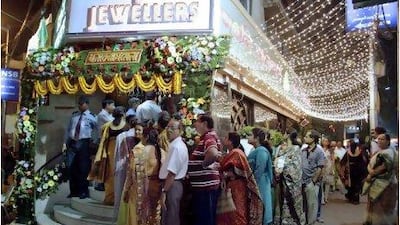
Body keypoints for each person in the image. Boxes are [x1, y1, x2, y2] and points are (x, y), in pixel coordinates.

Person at [217, 132, 263, 225]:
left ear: (230, 141)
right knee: (231, 213)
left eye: (226, 138)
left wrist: (226, 174)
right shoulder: (233, 152)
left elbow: (239, 170)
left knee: (238, 212)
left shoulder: (236, 153)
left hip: (237, 187)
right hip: (233, 186)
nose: (223, 139)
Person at [88, 106, 128, 205]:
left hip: (112, 151)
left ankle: (111, 198)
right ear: (123, 115)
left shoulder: (108, 126)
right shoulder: (125, 126)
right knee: (117, 174)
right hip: (118, 151)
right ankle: (117, 199)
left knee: (111, 175)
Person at [188, 114, 222, 225]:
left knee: (205, 219)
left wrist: (203, 165)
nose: (195, 124)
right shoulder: (208, 137)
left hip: (206, 187)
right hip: (204, 187)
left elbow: (213, 153)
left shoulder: (209, 137)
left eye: (197, 121)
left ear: (205, 124)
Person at [63, 96, 97, 199]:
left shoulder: (92, 116)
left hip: (84, 144)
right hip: (73, 143)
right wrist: (64, 143)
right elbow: (68, 130)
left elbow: (97, 130)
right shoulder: (74, 116)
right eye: (79, 104)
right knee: (70, 166)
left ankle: (83, 191)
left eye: (82, 104)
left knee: (83, 168)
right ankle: (74, 191)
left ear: (87, 104)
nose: (80, 106)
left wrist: (94, 142)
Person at [159, 118, 189, 225]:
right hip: (171, 184)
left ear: (180, 130)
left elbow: (172, 173)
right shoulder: (174, 145)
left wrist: (164, 191)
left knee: (170, 217)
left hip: (172, 185)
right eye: (168, 127)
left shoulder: (177, 147)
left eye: (172, 128)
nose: (169, 130)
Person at [364, 133, 398, 225]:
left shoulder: (390, 152)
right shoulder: (378, 152)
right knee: (374, 206)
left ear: (388, 141)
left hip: (386, 184)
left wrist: (372, 173)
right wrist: (370, 171)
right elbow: (370, 164)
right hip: (375, 183)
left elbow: (385, 166)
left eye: (382, 139)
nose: (379, 141)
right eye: (378, 139)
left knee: (384, 207)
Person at [274, 131, 306, 225]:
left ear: (288, 135)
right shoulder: (282, 148)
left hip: (292, 182)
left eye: (284, 133)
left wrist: (282, 166)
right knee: (285, 203)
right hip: (284, 182)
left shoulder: (296, 149)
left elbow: (295, 166)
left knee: (294, 204)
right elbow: (278, 160)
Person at [117, 123, 145, 225]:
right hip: (132, 178)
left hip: (140, 182)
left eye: (140, 130)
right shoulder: (129, 141)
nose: (137, 132)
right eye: (136, 130)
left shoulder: (143, 148)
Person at [247, 128, 273, 225]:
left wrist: (252, 184)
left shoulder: (261, 151)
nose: (247, 137)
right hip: (259, 182)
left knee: (261, 207)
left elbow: (259, 170)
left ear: (256, 138)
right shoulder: (256, 150)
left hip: (260, 183)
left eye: (250, 135)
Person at [114, 115, 137, 219]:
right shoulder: (140, 134)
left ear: (127, 123)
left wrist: (115, 167)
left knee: (120, 194)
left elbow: (117, 153)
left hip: (122, 166)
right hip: (135, 167)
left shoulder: (121, 136)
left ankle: (118, 218)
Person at [301, 130, 325, 225]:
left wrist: (313, 181)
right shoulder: (303, 151)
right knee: (304, 206)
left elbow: (320, 168)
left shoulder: (319, 152)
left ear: (313, 139)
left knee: (312, 206)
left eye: (307, 136)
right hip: (302, 182)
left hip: (312, 183)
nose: (305, 138)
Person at [94, 99, 115, 191]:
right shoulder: (102, 115)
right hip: (103, 141)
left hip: (107, 141)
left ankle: (103, 182)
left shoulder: (108, 115)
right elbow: (113, 124)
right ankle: (100, 183)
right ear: (107, 105)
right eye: (113, 105)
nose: (113, 107)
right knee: (103, 163)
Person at [340, 140, 367, 204]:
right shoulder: (359, 152)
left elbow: (342, 162)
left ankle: (354, 198)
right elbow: (363, 162)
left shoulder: (349, 152)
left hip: (353, 171)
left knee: (354, 185)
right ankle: (353, 198)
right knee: (354, 185)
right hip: (356, 171)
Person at [321, 138, 335, 204]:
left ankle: (325, 198)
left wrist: (332, 168)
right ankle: (322, 198)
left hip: (329, 167)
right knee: (321, 183)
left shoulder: (330, 150)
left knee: (327, 184)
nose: (325, 142)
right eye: (324, 141)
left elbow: (333, 160)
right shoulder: (320, 149)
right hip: (322, 167)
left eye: (326, 141)